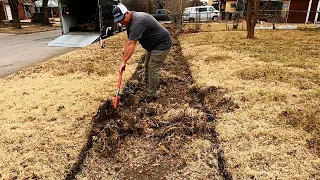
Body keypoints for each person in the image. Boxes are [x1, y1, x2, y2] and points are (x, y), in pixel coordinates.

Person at [112, 4, 172, 103]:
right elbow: (130, 39)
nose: (121, 22)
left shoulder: (137, 21)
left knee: (152, 69)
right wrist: (125, 48)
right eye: (118, 20)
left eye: (121, 19)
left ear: (127, 13)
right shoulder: (128, 22)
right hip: (152, 45)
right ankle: (145, 86)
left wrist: (123, 62)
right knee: (146, 66)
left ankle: (151, 95)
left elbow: (132, 44)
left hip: (162, 44)